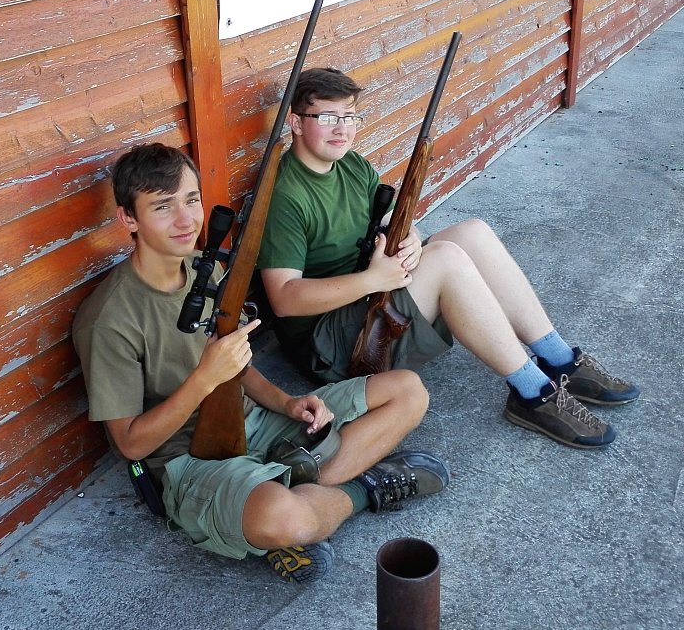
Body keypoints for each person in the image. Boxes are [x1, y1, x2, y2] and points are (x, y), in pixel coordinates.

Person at [72, 142, 450, 584]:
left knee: (406, 391)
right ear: (128, 219)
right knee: (281, 518)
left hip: (252, 421)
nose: (185, 220)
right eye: (162, 207)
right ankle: (363, 487)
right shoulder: (108, 320)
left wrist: (286, 403)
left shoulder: (205, 269)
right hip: (187, 461)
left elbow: (236, 365)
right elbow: (131, 446)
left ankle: (294, 491)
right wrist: (204, 379)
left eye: (191, 200)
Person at [257, 68, 640, 451]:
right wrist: (373, 280)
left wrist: (410, 237)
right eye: (327, 118)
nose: (342, 129)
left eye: (350, 116)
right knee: (446, 258)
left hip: (368, 299)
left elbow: (392, 219)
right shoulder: (284, 195)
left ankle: (559, 359)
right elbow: (285, 299)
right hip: (331, 346)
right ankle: (533, 394)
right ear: (296, 122)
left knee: (472, 232)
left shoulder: (352, 165)